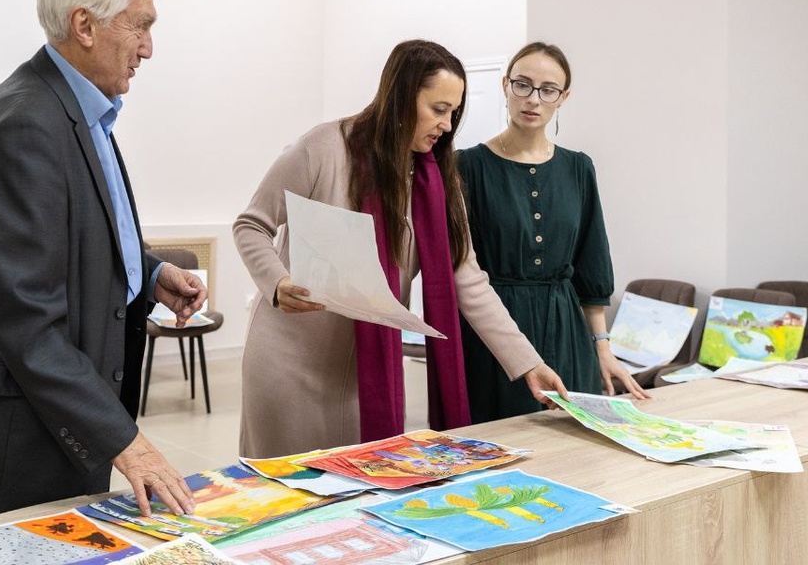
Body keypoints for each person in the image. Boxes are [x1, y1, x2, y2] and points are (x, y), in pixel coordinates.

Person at [0, 0, 206, 519]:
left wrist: (150, 272)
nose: (148, 48)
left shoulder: (76, 109)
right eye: (140, 26)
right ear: (84, 25)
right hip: (29, 432)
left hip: (60, 417)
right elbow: (25, 320)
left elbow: (81, 232)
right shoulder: (27, 125)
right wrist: (127, 443)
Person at [234, 39, 568, 458]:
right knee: (284, 490)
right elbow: (252, 225)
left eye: (454, 113)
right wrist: (278, 283)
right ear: (401, 97)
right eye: (439, 109)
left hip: (367, 374)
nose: (447, 125)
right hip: (289, 364)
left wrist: (529, 363)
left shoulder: (439, 180)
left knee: (360, 488)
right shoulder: (322, 148)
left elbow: (469, 281)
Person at [457, 42, 648, 424]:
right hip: (496, 337)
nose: (533, 99)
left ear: (563, 97)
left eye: (548, 90)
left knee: (574, 441)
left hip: (566, 331)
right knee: (501, 443)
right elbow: (460, 270)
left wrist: (603, 349)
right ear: (505, 85)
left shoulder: (578, 168)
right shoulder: (467, 166)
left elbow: (592, 265)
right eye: (523, 85)